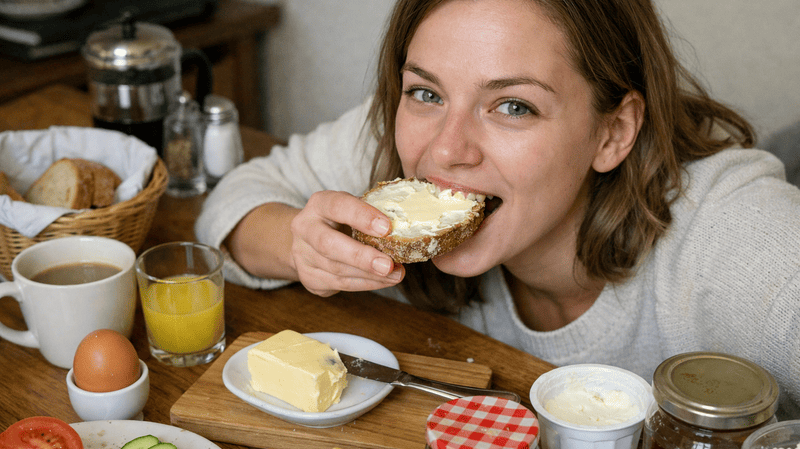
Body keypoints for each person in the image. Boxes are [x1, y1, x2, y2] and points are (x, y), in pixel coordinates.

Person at [196, 0, 800, 417]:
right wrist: (299, 244)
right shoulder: (390, 139)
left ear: (613, 133)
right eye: (426, 92)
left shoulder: (737, 238)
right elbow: (235, 200)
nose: (444, 150)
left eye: (513, 106)